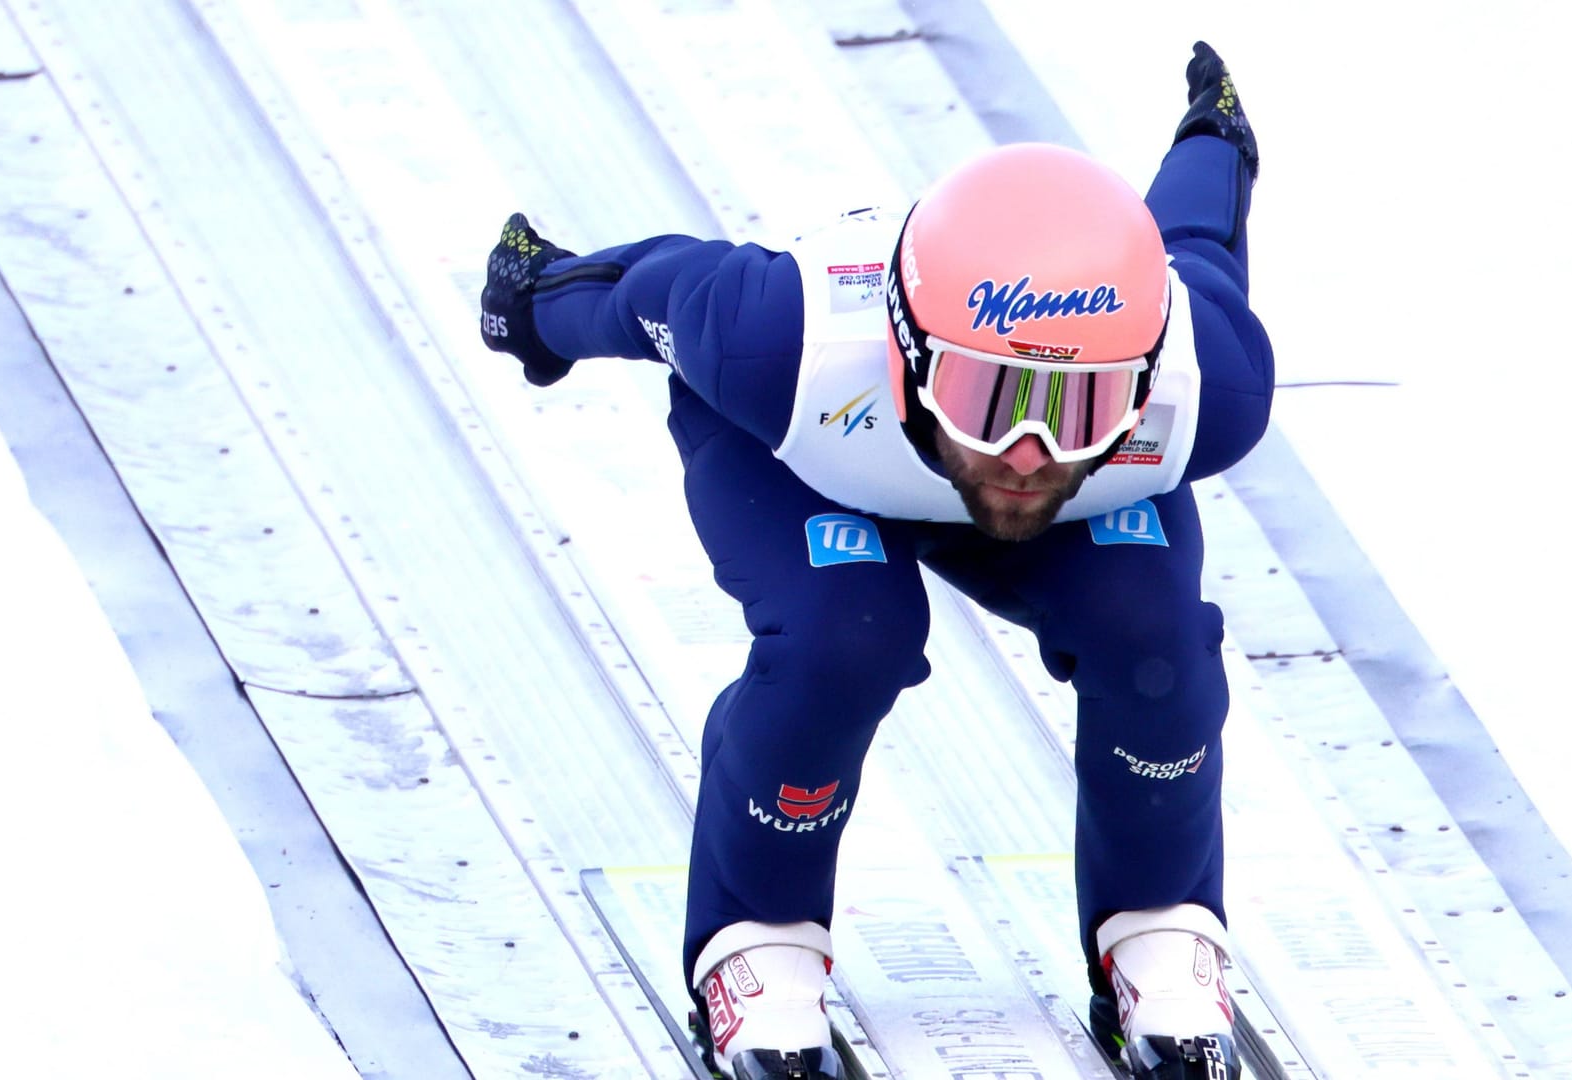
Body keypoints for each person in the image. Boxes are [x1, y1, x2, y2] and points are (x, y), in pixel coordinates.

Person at [480, 42, 1272, 1080]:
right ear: (905, 344)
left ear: (1143, 382)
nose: (1028, 455)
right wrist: (531, 303)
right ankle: (755, 941)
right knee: (846, 636)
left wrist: (1215, 131)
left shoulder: (1209, 387)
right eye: (993, 398)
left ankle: (1160, 923)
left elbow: (1196, 239)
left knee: (1157, 639)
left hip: (1002, 470)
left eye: (1075, 406)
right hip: (812, 459)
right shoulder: (778, 341)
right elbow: (642, 291)